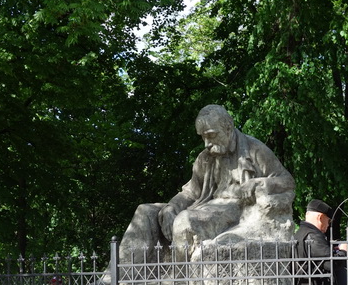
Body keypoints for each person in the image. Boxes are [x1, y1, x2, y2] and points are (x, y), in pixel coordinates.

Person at [119, 104, 295, 262]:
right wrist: (171, 207)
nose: (207, 143)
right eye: (203, 137)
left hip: (234, 209)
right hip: (204, 206)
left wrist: (259, 183)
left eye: (211, 135)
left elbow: (287, 181)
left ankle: (179, 280)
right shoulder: (205, 158)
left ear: (228, 127)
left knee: (184, 220)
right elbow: (190, 193)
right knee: (144, 212)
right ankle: (118, 279)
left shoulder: (254, 149)